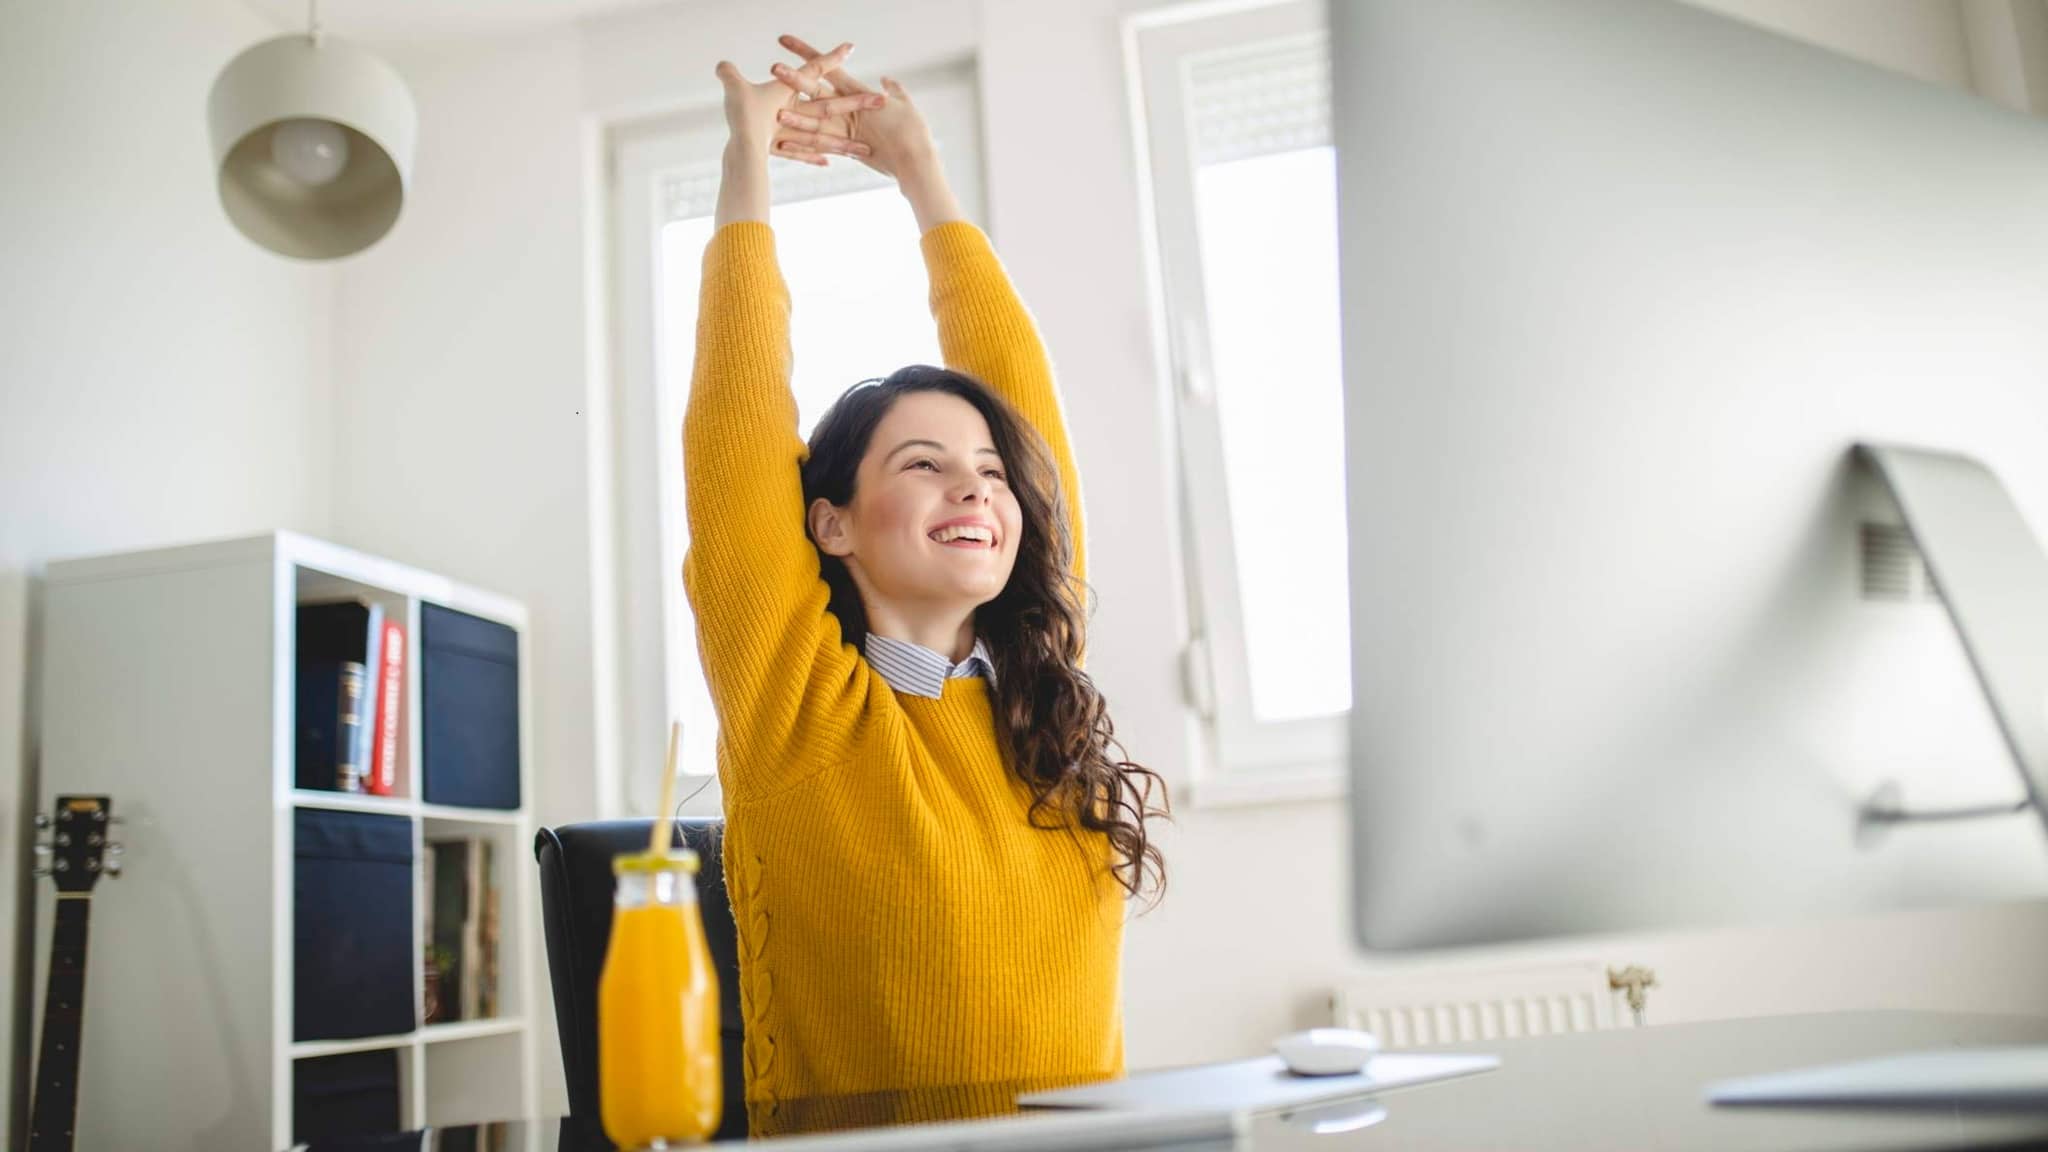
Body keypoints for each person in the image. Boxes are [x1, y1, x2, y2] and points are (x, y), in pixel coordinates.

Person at [686, 37, 1169, 1135]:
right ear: (831, 523)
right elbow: (735, 423)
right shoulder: (797, 707)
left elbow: (1022, 416)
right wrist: (747, 161)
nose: (977, 490)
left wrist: (921, 173)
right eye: (923, 465)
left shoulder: (1040, 696)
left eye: (990, 475)